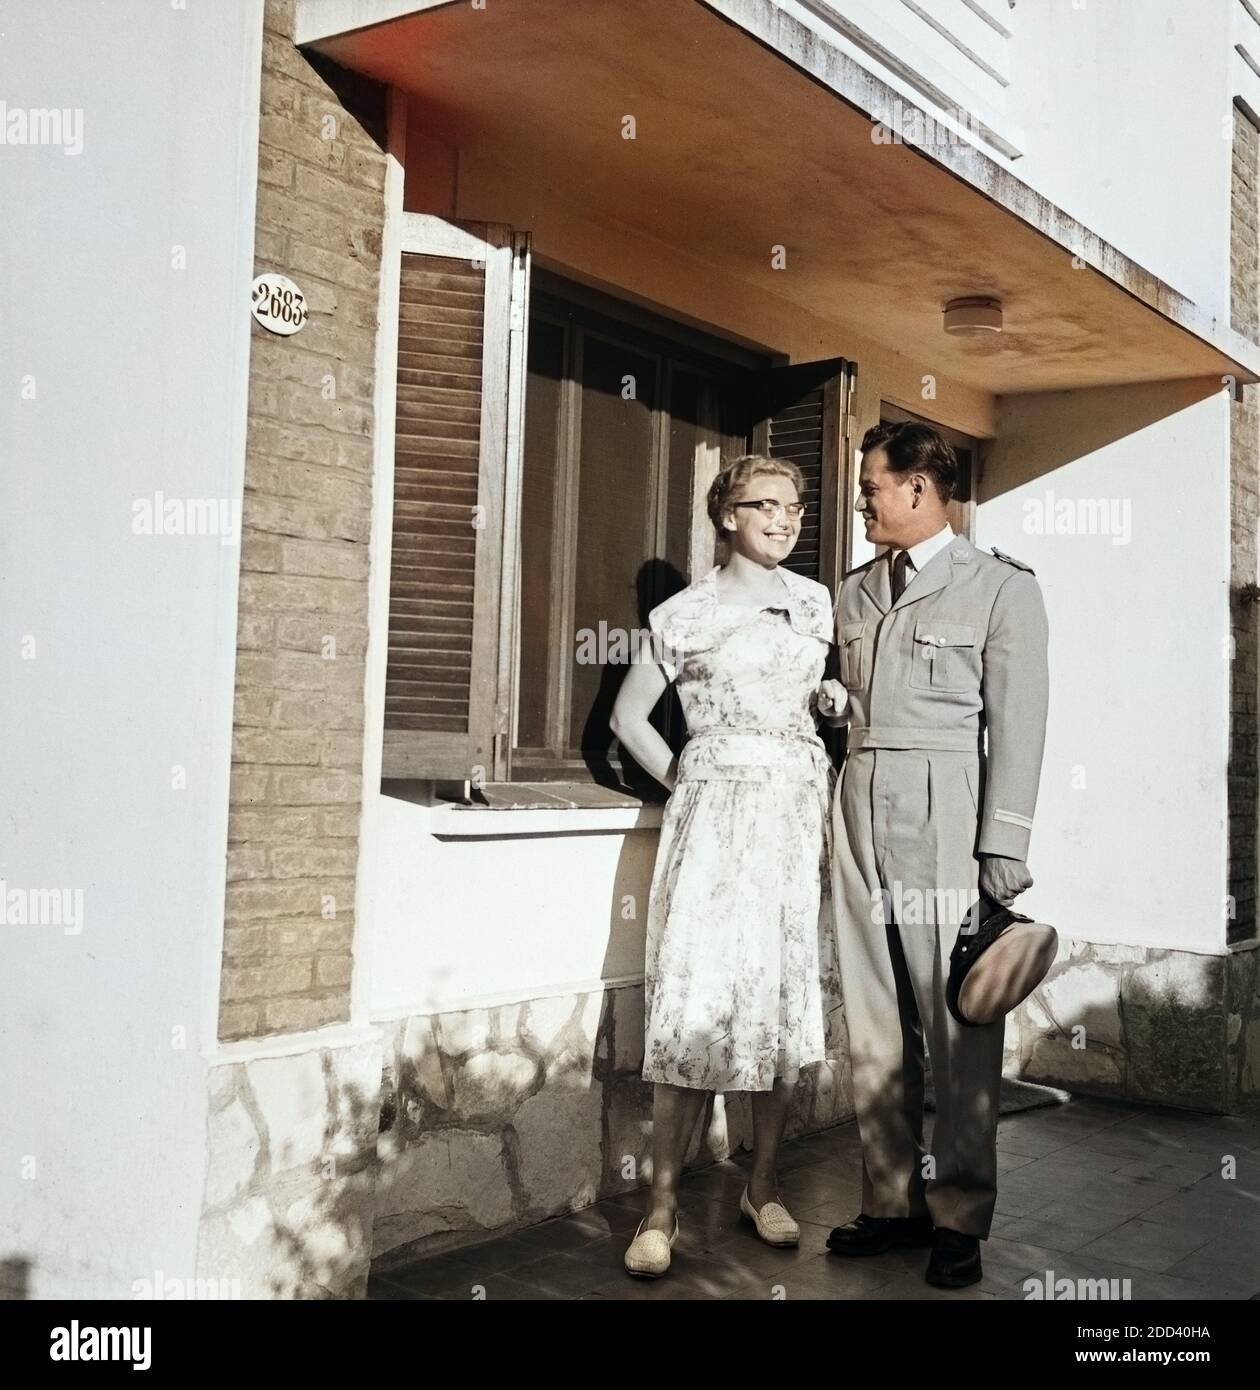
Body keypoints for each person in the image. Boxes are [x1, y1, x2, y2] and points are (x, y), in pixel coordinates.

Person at [818, 420, 1049, 1290]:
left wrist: (1004, 843)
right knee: (874, 1016)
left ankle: (958, 1216)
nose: (862, 499)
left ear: (919, 487)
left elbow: (1019, 722)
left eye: (872, 485)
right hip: (858, 802)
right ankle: (890, 1202)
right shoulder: (853, 592)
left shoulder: (998, 587)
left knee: (954, 1020)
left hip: (945, 808)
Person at [610, 454, 843, 1278]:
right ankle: (662, 1206)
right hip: (715, 824)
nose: (783, 520)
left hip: (792, 821)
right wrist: (689, 780)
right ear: (726, 514)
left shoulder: (816, 605)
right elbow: (631, 718)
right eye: (764, 505)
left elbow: (819, 696)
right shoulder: (685, 613)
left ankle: (763, 1187)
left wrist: (830, 703)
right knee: (698, 997)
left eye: (794, 507)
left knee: (778, 1004)